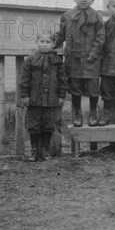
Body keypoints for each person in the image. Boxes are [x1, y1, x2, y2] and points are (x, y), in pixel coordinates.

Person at [54, 0, 105, 127]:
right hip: (73, 60)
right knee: (75, 89)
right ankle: (77, 115)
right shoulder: (67, 16)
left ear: (93, 0)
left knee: (93, 88)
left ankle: (93, 114)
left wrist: (93, 54)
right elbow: (61, 34)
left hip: (91, 61)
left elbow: (100, 38)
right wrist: (53, 46)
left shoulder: (96, 16)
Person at [19, 30, 67, 162]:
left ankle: (45, 151)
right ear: (37, 42)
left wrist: (61, 95)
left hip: (51, 100)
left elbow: (62, 80)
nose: (44, 45)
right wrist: (25, 96)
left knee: (48, 125)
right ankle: (34, 151)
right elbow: (24, 79)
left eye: (48, 42)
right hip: (34, 100)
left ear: (53, 44)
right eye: (42, 41)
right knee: (34, 125)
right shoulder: (30, 60)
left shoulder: (57, 62)